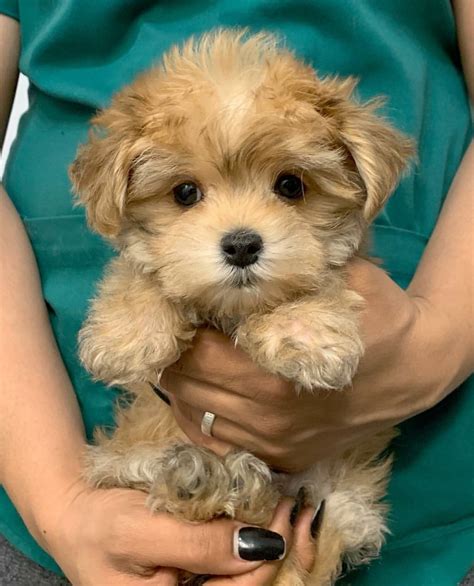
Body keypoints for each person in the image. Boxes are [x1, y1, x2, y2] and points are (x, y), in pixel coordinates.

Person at [0, 1, 472, 584]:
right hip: (56, 476)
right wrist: (61, 502)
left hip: (429, 495)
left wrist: (436, 344)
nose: (240, 234)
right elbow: (123, 348)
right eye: (186, 193)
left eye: (289, 186)